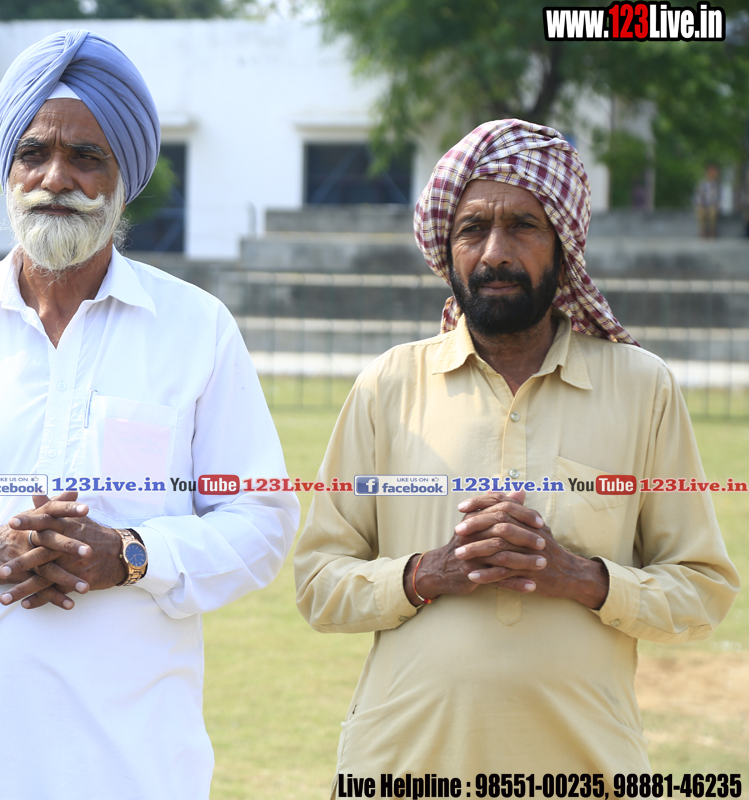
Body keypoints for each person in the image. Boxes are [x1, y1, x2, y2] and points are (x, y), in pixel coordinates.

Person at [0, 29, 298, 799]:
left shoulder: (194, 327)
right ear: (8, 170)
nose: (56, 178)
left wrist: (133, 555)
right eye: (34, 153)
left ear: (124, 179)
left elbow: (261, 521)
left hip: (127, 754)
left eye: (87, 157)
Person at [294, 119, 739, 784]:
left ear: (564, 244)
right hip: (402, 768)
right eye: (472, 229)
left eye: (523, 226)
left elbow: (703, 589)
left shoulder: (641, 388)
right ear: (447, 248)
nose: (494, 253)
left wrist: (581, 578)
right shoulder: (389, 385)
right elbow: (317, 583)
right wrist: (425, 574)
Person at [694, 162, 721, 238]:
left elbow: (718, 197)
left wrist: (716, 204)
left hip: (712, 205)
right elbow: (698, 195)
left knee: (712, 212)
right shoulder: (702, 183)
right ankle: (703, 231)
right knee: (700, 212)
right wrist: (700, 204)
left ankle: (712, 231)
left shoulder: (717, 185)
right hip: (703, 204)